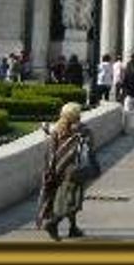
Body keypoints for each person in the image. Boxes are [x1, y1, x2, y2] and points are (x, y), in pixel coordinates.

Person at [35, 101, 94, 240]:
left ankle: (73, 228)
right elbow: (89, 149)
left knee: (63, 199)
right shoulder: (83, 131)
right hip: (74, 172)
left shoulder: (56, 129)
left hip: (56, 171)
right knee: (72, 201)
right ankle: (52, 224)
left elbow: (51, 151)